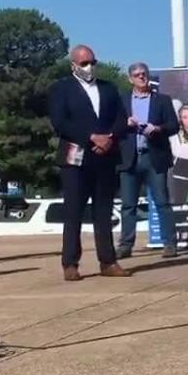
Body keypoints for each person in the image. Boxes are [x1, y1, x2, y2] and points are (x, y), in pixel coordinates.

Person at [48, 45, 130, 282]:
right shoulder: (61, 89)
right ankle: (70, 263)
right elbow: (60, 122)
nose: (89, 66)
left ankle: (108, 261)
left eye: (92, 62)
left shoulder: (109, 88)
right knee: (73, 211)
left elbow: (121, 120)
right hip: (75, 157)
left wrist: (110, 138)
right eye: (84, 63)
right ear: (73, 65)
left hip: (105, 156)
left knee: (103, 212)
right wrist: (91, 136)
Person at [117, 62, 180, 260]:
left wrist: (158, 129)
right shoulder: (122, 100)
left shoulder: (162, 100)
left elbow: (174, 126)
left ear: (148, 76)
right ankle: (125, 245)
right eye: (136, 75)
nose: (141, 77)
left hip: (154, 157)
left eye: (143, 74)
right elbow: (112, 126)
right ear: (130, 79)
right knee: (128, 205)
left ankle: (169, 244)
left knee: (162, 202)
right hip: (129, 158)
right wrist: (124, 123)